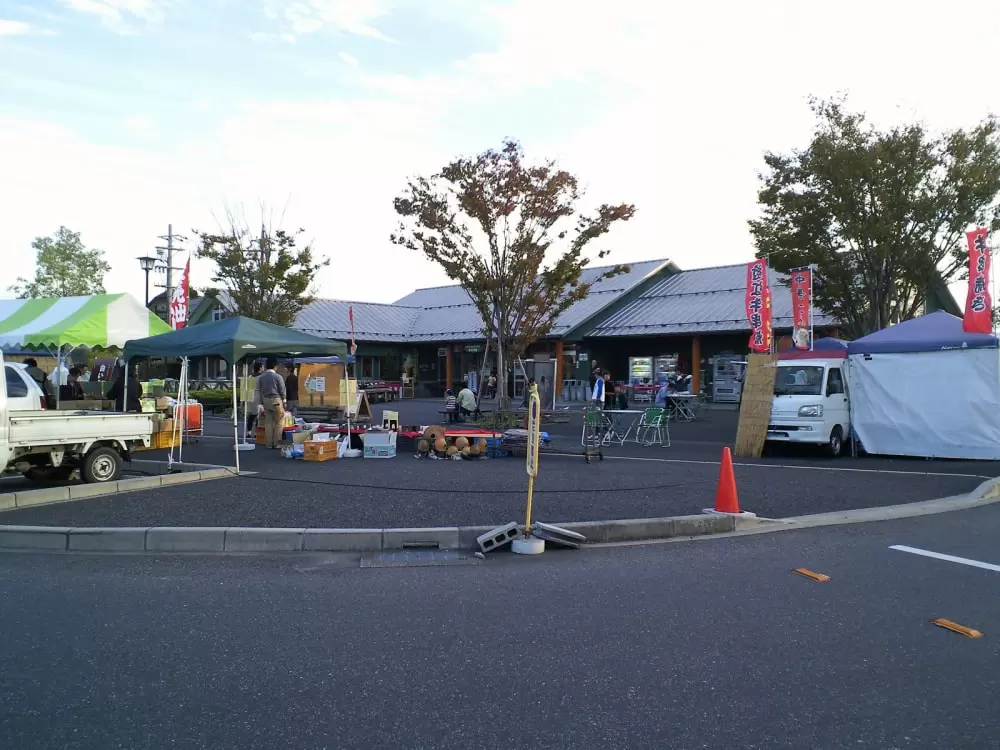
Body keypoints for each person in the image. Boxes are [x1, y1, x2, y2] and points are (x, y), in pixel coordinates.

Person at [257, 358, 287, 449]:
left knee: (268, 423)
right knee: (279, 422)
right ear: (275, 366)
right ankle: (277, 443)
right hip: (276, 400)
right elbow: (282, 389)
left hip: (266, 400)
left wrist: (260, 403)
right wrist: (284, 400)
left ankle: (269, 443)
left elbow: (259, 391)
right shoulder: (278, 377)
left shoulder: (261, 377)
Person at [246, 363, 262, 437]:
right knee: (258, 416)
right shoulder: (261, 377)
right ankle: (256, 433)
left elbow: (247, 388)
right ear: (260, 368)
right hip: (258, 397)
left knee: (251, 416)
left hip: (250, 396)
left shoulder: (250, 376)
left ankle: (249, 432)